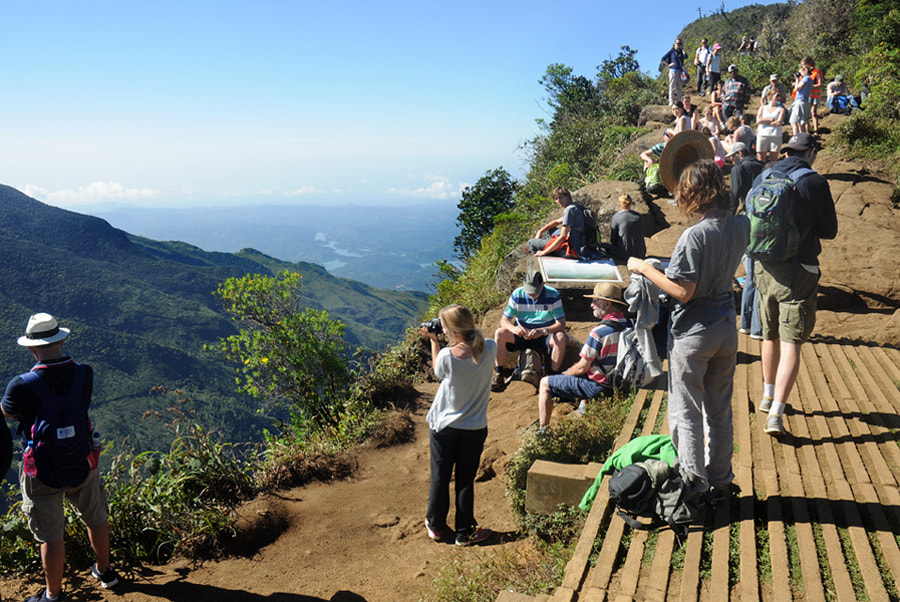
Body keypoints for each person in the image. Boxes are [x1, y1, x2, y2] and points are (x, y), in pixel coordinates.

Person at [627, 159, 749, 502]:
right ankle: (721, 480)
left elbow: (683, 291)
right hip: (726, 326)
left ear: (691, 194)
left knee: (686, 411)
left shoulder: (694, 235)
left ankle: (694, 486)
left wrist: (644, 268)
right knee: (720, 409)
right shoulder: (741, 225)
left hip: (693, 334)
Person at [2, 313, 120, 602]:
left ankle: (53, 595)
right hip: (82, 460)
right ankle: (105, 572)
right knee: (96, 517)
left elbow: (8, 413)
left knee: (50, 535)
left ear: (30, 348)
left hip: (40, 470)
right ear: (61, 339)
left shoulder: (20, 384)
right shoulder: (84, 373)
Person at [755, 133, 838, 436]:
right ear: (811, 152)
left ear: (787, 151)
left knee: (769, 334)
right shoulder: (813, 182)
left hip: (764, 268)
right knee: (792, 342)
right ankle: (776, 414)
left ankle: (767, 396)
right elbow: (830, 231)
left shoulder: (765, 174)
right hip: (798, 271)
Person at [422, 304, 495, 546]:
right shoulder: (490, 348)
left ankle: (436, 526)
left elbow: (438, 372)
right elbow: (476, 341)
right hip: (474, 427)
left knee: (440, 477)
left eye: (443, 327)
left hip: (444, 426)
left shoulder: (446, 356)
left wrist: (434, 341)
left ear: (452, 330)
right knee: (465, 479)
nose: (440, 329)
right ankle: (465, 532)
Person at [536, 283, 629, 429]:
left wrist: (565, 374)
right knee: (591, 369)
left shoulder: (599, 332)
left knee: (545, 383)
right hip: (621, 382)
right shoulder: (628, 325)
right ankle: (582, 412)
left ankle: (543, 431)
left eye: (595, 301)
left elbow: (581, 367)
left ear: (607, 304)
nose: (591, 305)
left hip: (601, 387)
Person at [493, 270, 567, 390]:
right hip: (523, 333)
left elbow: (561, 324)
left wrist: (543, 331)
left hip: (544, 334)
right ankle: (499, 374)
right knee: (500, 333)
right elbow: (504, 320)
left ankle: (552, 376)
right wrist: (514, 329)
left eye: (535, 291)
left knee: (560, 337)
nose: (532, 294)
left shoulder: (553, 295)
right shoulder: (517, 294)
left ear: (542, 285)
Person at [527, 187, 584, 260]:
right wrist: (540, 231)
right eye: (556, 199)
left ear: (568, 197)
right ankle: (551, 247)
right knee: (550, 229)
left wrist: (544, 252)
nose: (559, 201)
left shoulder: (569, 210)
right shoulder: (576, 207)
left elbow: (563, 236)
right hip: (580, 243)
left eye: (561, 198)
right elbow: (556, 222)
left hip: (571, 249)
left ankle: (543, 256)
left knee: (531, 242)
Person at [727, 142, 764, 214]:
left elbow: (734, 193)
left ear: (740, 153)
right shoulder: (762, 165)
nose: (731, 159)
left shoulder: (738, 168)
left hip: (749, 209)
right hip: (764, 207)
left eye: (733, 156)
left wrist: (730, 216)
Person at [609, 194, 646, 260]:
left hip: (624, 253)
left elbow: (613, 239)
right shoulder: (638, 216)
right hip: (640, 253)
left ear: (619, 204)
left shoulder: (617, 216)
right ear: (631, 203)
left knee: (604, 247)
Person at [756, 89, 787, 163]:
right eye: (777, 95)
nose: (779, 97)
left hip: (775, 135)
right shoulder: (763, 108)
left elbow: (779, 122)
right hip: (762, 135)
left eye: (780, 96)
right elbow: (758, 120)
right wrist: (772, 119)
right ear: (770, 96)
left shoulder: (781, 109)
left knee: (773, 160)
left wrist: (765, 121)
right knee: (761, 158)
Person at [661, 38, 688, 105]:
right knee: (672, 86)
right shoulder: (672, 51)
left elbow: (686, 57)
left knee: (679, 87)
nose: (678, 45)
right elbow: (663, 59)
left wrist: (683, 51)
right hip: (673, 71)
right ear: (674, 44)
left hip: (680, 71)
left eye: (680, 44)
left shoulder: (681, 51)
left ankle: (679, 101)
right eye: (677, 43)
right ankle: (671, 101)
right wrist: (669, 64)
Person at [802, 57, 824, 133]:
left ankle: (816, 130)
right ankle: (807, 131)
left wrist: (809, 86)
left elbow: (820, 84)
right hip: (806, 95)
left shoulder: (816, 72)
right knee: (806, 113)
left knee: (813, 112)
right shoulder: (804, 73)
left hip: (815, 95)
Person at [790, 64, 813, 135]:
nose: (800, 74)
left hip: (800, 102)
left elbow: (797, 88)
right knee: (801, 123)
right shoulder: (810, 79)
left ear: (805, 71)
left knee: (793, 122)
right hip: (805, 101)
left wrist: (797, 79)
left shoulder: (806, 78)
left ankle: (796, 138)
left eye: (801, 72)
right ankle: (802, 140)